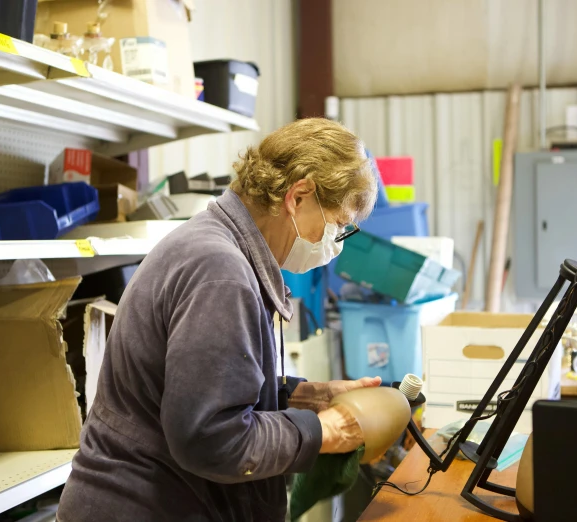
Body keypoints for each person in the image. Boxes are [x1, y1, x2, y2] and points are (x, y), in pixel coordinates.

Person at [58, 118, 381, 521]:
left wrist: (307, 396)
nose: (333, 244)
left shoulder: (217, 244)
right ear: (298, 197)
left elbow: (204, 384)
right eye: (336, 227)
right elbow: (211, 438)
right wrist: (324, 432)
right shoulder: (221, 272)